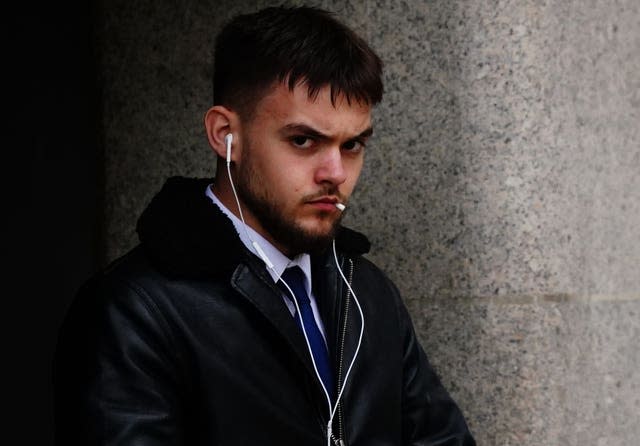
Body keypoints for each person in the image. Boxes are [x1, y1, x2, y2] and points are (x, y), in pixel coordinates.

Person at [54, 6, 476, 446]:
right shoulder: (134, 310)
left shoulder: (368, 294)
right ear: (224, 135)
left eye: (352, 145)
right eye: (303, 140)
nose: (335, 172)